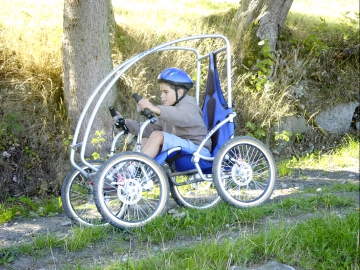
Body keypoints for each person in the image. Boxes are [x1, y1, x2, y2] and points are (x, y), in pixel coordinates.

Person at [116, 67, 212, 159]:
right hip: (183, 148)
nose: (162, 96)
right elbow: (148, 129)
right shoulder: (169, 110)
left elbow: (179, 116)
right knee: (145, 140)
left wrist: (155, 108)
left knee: (158, 135)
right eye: (161, 92)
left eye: (166, 92)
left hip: (199, 150)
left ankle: (136, 167)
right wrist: (125, 123)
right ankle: (129, 169)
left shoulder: (190, 105)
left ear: (180, 93)